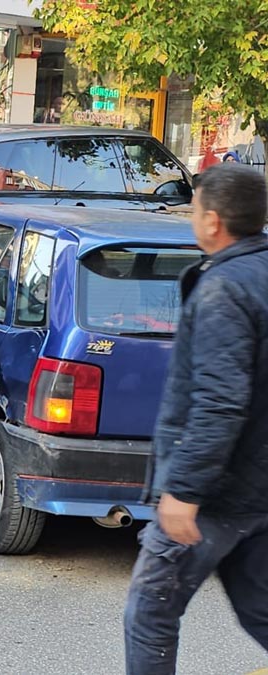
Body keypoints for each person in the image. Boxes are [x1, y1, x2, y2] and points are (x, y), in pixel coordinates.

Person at [123, 164, 268, 674]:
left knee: (150, 613)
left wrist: (184, 491)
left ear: (213, 222)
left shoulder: (224, 289)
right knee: (261, 612)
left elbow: (219, 401)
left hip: (216, 493)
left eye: (195, 208)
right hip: (257, 489)